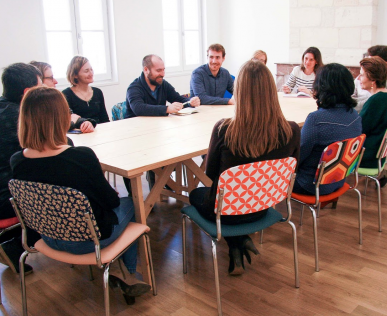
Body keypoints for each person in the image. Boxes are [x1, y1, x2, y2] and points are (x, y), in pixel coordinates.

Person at [10, 86, 151, 303]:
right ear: (59, 118)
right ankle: (127, 273)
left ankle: (121, 272)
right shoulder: (80, 157)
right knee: (133, 203)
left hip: (46, 236)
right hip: (88, 241)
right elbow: (111, 201)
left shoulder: (18, 161)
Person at [188, 60, 300, 275]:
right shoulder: (291, 131)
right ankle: (238, 242)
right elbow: (293, 170)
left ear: (239, 91)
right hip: (264, 206)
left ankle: (237, 243)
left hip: (227, 211)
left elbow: (211, 176)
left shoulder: (224, 130)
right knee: (229, 201)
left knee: (195, 195)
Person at [294, 63, 362, 197]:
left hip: (310, 184)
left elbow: (298, 157)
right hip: (338, 179)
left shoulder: (316, 119)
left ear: (322, 87)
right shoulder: (355, 116)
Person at [0, 63, 42, 275]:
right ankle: (14, 244)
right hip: (8, 200)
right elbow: (54, 148)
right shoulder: (22, 117)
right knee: (60, 192)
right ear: (27, 93)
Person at [358, 57, 387, 185]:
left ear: (373, 80)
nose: (359, 78)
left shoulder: (376, 101)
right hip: (378, 155)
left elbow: (360, 129)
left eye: (362, 75)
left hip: (367, 156)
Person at [125, 54, 200, 118]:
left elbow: (178, 99)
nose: (163, 74)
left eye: (163, 70)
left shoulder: (162, 84)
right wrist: (167, 109)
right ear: (146, 70)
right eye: (158, 70)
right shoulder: (134, 88)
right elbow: (138, 108)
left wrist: (190, 102)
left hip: (157, 126)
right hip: (136, 129)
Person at [30, 60, 95, 133]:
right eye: (51, 78)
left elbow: (70, 116)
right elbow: (51, 129)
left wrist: (84, 123)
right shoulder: (30, 108)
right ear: (39, 81)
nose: (55, 81)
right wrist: (72, 122)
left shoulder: (54, 100)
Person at [62, 56, 110, 124]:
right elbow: (69, 122)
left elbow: (104, 118)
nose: (91, 73)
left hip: (99, 130)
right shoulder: (66, 94)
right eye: (86, 71)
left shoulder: (97, 92)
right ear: (75, 75)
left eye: (91, 69)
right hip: (79, 132)